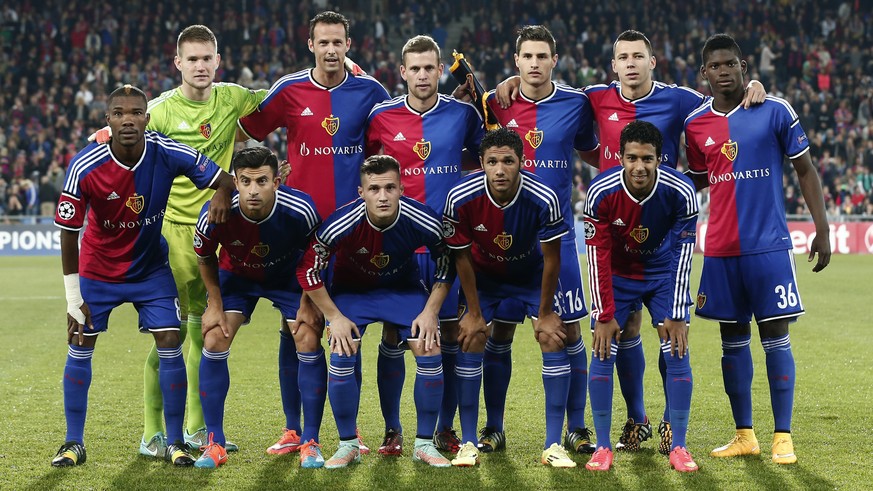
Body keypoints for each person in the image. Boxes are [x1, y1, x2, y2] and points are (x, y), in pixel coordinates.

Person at [495, 29, 766, 454]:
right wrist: (509, 84)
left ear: (652, 61)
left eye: (639, 56)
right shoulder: (594, 98)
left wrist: (752, 85)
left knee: (665, 327)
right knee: (624, 327)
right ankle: (637, 418)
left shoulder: (678, 99)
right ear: (614, 64)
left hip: (661, 228)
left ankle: (663, 422)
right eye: (624, 57)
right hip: (613, 227)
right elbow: (557, 109)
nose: (632, 63)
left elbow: (722, 107)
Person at [52, 84, 233, 467]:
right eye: (119, 113)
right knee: (81, 341)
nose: (128, 119)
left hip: (150, 268)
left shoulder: (166, 152)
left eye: (135, 112)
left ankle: (173, 442)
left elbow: (224, 178)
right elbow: (68, 232)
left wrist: (220, 193)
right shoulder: (85, 166)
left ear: (147, 119)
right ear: (108, 121)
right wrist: (73, 297)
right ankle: (72, 443)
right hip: (99, 270)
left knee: (171, 338)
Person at [239, 11, 390, 454]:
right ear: (310, 45)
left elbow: (389, 147)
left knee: (350, 328)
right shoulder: (288, 90)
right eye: (322, 42)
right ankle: (294, 428)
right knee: (295, 327)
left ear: (349, 44)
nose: (330, 50)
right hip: (298, 231)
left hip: (352, 232)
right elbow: (248, 131)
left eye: (337, 42)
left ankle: (351, 429)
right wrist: (269, 175)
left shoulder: (370, 92)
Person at [684, 33, 831, 465]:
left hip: (769, 247)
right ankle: (744, 434)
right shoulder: (696, 125)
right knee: (732, 341)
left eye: (731, 63)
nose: (724, 71)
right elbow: (697, 181)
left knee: (775, 338)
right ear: (704, 73)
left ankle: (782, 435)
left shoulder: (774, 110)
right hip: (721, 250)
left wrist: (822, 229)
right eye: (715, 66)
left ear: (744, 67)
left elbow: (805, 170)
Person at [138, 24, 266, 457]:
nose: (200, 66)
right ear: (177, 63)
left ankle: (197, 430)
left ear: (218, 61)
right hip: (171, 235)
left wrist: (346, 66)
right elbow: (121, 145)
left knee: (206, 332)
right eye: (191, 59)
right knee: (169, 337)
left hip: (218, 236)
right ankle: (152, 430)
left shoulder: (232, 98)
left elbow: (285, 99)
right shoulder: (157, 111)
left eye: (206, 58)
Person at [481, 25, 599, 456]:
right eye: (526, 57)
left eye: (541, 56)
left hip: (559, 239)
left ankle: (577, 428)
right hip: (503, 240)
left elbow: (592, 150)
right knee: (501, 333)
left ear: (554, 60)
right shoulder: (495, 104)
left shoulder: (576, 104)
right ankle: (494, 427)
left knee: (568, 331)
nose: (533, 64)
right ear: (516, 62)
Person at [365, 34, 483, 455]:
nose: (422, 75)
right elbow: (367, 168)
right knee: (393, 335)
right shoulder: (381, 117)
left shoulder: (463, 115)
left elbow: (484, 152)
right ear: (402, 72)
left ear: (438, 70)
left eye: (429, 67)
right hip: (396, 247)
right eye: (414, 68)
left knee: (448, 336)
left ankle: (443, 427)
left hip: (446, 248)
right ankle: (392, 429)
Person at [295, 155, 453, 469]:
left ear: (401, 189)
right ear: (361, 192)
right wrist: (334, 317)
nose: (382, 196)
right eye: (374, 188)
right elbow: (309, 271)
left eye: (389, 188)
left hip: (402, 289)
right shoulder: (342, 222)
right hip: (353, 292)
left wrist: (431, 310)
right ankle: (347, 444)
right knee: (341, 350)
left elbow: (447, 261)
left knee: (429, 346)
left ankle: (424, 443)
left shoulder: (423, 219)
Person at [443, 128, 576, 468]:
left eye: (507, 161)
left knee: (551, 335)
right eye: (492, 162)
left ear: (521, 162)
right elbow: (461, 258)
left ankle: (553, 444)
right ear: (482, 164)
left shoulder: (543, 197)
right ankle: (469, 441)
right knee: (471, 335)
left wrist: (545, 312)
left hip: (530, 274)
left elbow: (552, 259)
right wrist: (473, 311)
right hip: (484, 276)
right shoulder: (460, 197)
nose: (499, 170)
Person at [190, 147, 322, 469]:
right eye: (245, 181)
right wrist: (215, 304)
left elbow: (317, 252)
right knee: (213, 338)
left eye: (261, 181)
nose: (253, 190)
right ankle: (215, 443)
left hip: (289, 278)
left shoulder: (301, 209)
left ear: (276, 181)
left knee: (307, 337)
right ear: (234, 181)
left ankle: (308, 440)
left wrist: (307, 301)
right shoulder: (215, 214)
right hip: (237, 276)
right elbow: (205, 256)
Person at [582, 121, 698, 472]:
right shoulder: (600, 192)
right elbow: (596, 255)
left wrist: (677, 310)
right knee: (603, 348)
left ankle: (678, 445)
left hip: (663, 273)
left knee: (676, 348)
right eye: (631, 158)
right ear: (619, 158)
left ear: (660, 159)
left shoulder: (681, 192)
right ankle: (602, 447)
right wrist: (603, 314)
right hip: (618, 273)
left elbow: (684, 253)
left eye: (647, 159)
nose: (639, 166)